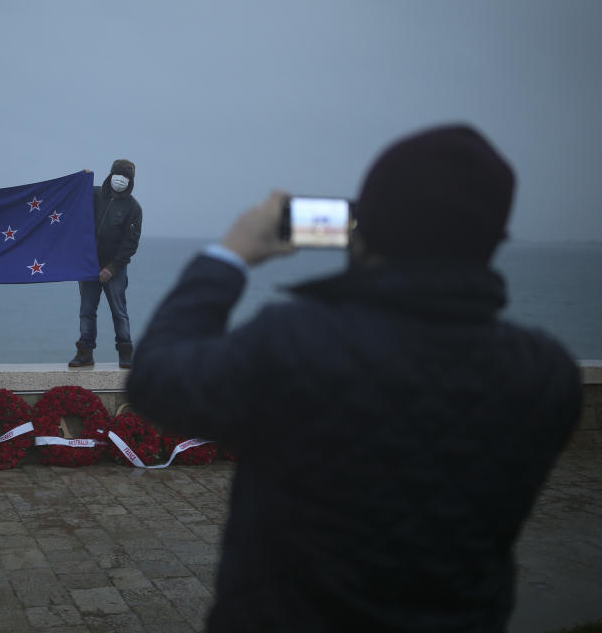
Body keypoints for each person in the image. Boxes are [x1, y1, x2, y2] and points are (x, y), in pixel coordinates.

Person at [126, 125, 583, 631]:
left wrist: (231, 253)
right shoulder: (546, 376)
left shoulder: (295, 342)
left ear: (363, 226)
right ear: (492, 238)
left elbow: (156, 381)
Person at [69, 159, 142, 368]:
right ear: (111, 174)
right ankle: (85, 352)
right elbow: (73, 196)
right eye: (118, 174)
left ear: (131, 180)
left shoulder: (133, 208)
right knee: (86, 310)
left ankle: (125, 353)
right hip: (88, 265)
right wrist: (81, 179)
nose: (121, 179)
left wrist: (111, 269)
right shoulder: (93, 194)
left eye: (126, 176)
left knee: (119, 312)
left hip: (115, 269)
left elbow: (130, 244)